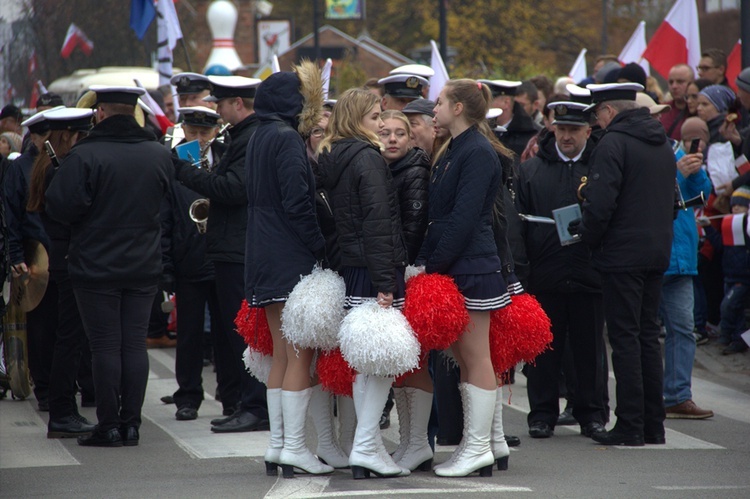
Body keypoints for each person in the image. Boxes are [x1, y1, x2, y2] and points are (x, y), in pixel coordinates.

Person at [45, 86, 171, 447]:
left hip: (95, 267)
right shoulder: (156, 154)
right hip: (143, 265)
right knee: (133, 345)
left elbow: (60, 208)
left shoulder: (85, 156)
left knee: (104, 346)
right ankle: (132, 425)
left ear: (100, 113)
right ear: (133, 114)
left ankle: (109, 425)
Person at [245, 62, 338, 477]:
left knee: (282, 356)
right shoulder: (285, 139)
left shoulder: (260, 135)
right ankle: (295, 448)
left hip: (263, 251)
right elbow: (298, 204)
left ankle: (280, 446)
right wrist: (321, 247)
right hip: (289, 255)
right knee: (299, 354)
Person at [571, 82, 675, 446]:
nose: (596, 121)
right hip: (656, 251)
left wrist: (588, 238)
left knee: (625, 338)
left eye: (597, 113)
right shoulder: (660, 142)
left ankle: (630, 423)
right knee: (648, 335)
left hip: (621, 255)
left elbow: (600, 205)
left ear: (609, 111)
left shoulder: (613, 143)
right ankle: (652, 424)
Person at [418, 79, 509, 477]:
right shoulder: (455, 149)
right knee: (462, 357)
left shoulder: (477, 151)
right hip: (457, 263)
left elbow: (464, 218)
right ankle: (480, 446)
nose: (432, 110)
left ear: (457, 108)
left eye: (438, 103)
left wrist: (432, 265)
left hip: (471, 263)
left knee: (475, 357)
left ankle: (478, 448)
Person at [318, 88, 410, 479]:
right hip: (375, 268)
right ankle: (367, 446)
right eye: (374, 116)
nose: (381, 123)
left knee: (365, 361)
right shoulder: (366, 158)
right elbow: (377, 222)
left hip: (355, 266)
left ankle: (364, 445)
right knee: (379, 361)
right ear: (357, 119)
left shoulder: (333, 154)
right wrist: (387, 280)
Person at [174, 75, 269, 433]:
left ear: (238, 104)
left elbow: (233, 189)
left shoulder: (249, 137)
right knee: (236, 334)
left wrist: (186, 173)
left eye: (222, 103)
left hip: (238, 248)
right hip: (231, 247)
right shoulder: (241, 136)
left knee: (244, 335)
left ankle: (255, 406)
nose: (217, 109)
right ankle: (246, 402)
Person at [516, 101, 607, 440]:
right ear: (553, 128)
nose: (567, 136)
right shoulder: (532, 170)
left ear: (588, 131)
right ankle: (541, 414)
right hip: (545, 273)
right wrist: (522, 272)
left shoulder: (600, 167)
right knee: (543, 350)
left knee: (589, 350)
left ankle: (592, 414)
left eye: (574, 130)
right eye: (562, 129)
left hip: (589, 272)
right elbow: (520, 224)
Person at [25, 107, 97, 438]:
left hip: (62, 257)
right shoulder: (58, 169)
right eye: (81, 136)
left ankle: (64, 408)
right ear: (68, 136)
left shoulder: (49, 165)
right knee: (69, 340)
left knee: (67, 338)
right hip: (68, 258)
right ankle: (62, 412)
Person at [161, 106, 226, 421]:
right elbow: (164, 217)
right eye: (193, 132)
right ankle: (187, 396)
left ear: (215, 131)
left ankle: (231, 395)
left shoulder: (226, 157)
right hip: (188, 260)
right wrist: (167, 267)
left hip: (223, 259)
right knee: (188, 334)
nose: (199, 139)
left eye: (205, 133)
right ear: (183, 129)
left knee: (227, 333)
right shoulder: (172, 162)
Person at [378, 109, 432, 471]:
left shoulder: (412, 170)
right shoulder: (385, 169)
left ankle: (417, 443)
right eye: (386, 133)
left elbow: (411, 229)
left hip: (408, 274)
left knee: (414, 361)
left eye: (400, 133)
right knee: (401, 364)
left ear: (411, 138)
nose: (393, 139)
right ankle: (410, 442)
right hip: (397, 273)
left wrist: (401, 272)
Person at [658, 116, 714, 418]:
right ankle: (647, 398)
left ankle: (678, 395)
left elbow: (703, 193)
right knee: (641, 333)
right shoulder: (652, 155)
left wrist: (695, 169)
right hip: (652, 258)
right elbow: (649, 193)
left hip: (680, 261)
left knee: (683, 330)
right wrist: (676, 173)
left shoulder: (679, 154)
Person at [702, 187, 750, 354]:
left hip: (742, 277)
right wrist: (708, 228)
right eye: (734, 205)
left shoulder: (746, 226)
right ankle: (738, 339)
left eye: (741, 205)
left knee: (728, 306)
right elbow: (721, 246)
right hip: (729, 275)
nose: (736, 208)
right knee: (734, 309)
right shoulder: (729, 224)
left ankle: (728, 335)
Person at [480, 79, 541, 158]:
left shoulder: (533, 135)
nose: (485, 105)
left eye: (490, 100)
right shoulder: (480, 130)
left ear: (506, 102)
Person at [659, 64, 695, 141]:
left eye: (680, 82)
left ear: (692, 83)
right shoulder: (661, 110)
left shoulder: (699, 110)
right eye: (671, 82)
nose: (674, 86)